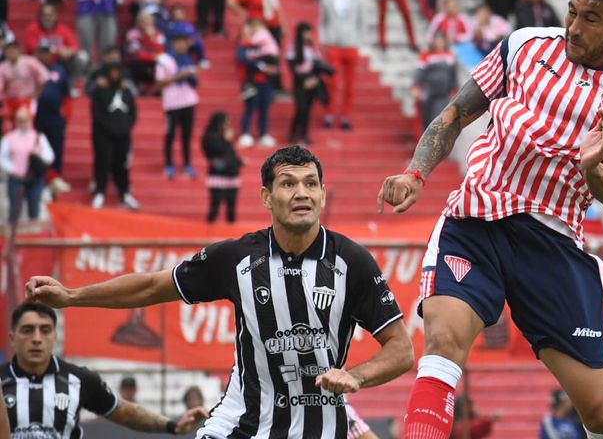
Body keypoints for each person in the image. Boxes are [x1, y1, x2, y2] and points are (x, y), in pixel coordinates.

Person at [378, 0, 603, 439]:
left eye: (590, 18)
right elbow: (455, 115)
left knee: (600, 412)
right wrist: (415, 174)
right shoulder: (525, 46)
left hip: (551, 243)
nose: (572, 26)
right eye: (572, 11)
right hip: (475, 223)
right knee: (443, 341)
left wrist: (593, 167)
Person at [27, 145, 415, 439]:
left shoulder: (352, 262)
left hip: (321, 428)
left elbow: (402, 349)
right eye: (288, 184)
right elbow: (150, 285)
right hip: (242, 423)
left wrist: (357, 376)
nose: (302, 193)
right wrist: (73, 296)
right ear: (266, 197)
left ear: (323, 195)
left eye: (310, 184)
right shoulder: (236, 258)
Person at [1, 302, 207, 436]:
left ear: (54, 336)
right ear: (12, 338)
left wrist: (171, 425)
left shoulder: (77, 379)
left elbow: (125, 412)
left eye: (45, 330)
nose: (37, 338)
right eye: (28, 330)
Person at [90, 60, 139, 210]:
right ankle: (100, 192)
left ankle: (124, 193)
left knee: (122, 164)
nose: (114, 75)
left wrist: (124, 127)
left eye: (116, 72)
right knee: (102, 163)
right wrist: (110, 127)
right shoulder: (99, 90)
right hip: (103, 135)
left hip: (123, 135)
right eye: (111, 71)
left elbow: (133, 113)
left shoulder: (126, 91)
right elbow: (96, 113)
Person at [319, 0, 364, 130]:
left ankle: (346, 114)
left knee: (349, 84)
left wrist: (357, 41)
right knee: (332, 82)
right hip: (334, 44)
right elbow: (322, 21)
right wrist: (324, 40)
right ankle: (329, 113)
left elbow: (361, 21)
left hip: (350, 44)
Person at [0, 106, 54, 224]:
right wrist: (13, 169)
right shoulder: (9, 138)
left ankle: (33, 236)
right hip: (17, 178)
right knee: (14, 208)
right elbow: (2, 158)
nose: (23, 123)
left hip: (34, 178)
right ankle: (12, 236)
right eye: (20, 120)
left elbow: (50, 156)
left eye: (26, 120)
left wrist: (39, 155)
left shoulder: (39, 137)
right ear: (16, 122)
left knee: (34, 206)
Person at [156, 32, 199, 179]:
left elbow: (195, 82)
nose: (182, 45)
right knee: (170, 134)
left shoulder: (188, 59)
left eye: (184, 42)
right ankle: (169, 164)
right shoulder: (164, 60)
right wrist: (178, 76)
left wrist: (190, 76)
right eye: (178, 42)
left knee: (187, 135)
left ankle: (187, 163)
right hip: (172, 103)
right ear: (173, 44)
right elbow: (158, 83)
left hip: (189, 101)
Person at [32, 40, 72, 194]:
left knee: (56, 145)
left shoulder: (59, 69)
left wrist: (66, 115)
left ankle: (55, 177)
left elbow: (66, 94)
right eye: (41, 52)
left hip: (55, 115)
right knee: (36, 147)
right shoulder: (32, 68)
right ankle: (38, 178)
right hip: (36, 115)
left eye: (47, 52)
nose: (44, 55)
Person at [236, 20, 279, 148]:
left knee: (264, 108)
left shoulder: (262, 45)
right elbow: (244, 59)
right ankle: (245, 133)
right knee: (249, 108)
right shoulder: (244, 46)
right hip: (251, 83)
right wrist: (263, 67)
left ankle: (263, 134)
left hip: (266, 82)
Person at [287, 22, 331, 144]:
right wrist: (304, 80)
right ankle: (293, 133)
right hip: (300, 82)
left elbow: (318, 65)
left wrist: (315, 79)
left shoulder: (313, 48)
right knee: (300, 108)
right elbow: (293, 67)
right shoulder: (294, 47)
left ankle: (304, 135)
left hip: (312, 80)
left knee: (308, 110)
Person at [202, 111, 242, 222]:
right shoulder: (210, 137)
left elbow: (231, 154)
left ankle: (233, 236)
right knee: (215, 207)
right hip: (218, 176)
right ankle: (208, 233)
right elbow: (214, 152)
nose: (228, 125)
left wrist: (239, 162)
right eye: (226, 122)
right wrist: (226, 140)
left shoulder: (225, 136)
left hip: (232, 175)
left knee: (231, 209)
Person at [413, 31, 456, 131]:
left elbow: (453, 76)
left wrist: (453, 90)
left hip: (442, 93)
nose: (439, 42)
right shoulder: (426, 55)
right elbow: (419, 72)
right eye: (437, 40)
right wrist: (416, 87)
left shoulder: (450, 56)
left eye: (441, 40)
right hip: (427, 92)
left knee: (438, 118)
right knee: (426, 119)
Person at [0, 40, 50, 121]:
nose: (11, 52)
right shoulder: (3, 67)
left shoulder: (30, 62)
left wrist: (37, 93)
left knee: (24, 120)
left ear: (19, 50)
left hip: (27, 99)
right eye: (9, 50)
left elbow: (44, 76)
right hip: (10, 100)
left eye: (13, 49)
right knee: (9, 126)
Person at [124, 11, 165, 90]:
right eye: (144, 21)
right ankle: (139, 86)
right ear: (139, 22)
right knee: (136, 63)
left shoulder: (159, 34)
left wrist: (152, 38)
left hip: (153, 60)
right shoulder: (132, 33)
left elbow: (161, 52)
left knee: (163, 62)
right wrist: (147, 37)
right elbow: (136, 53)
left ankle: (158, 87)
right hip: (140, 61)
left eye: (149, 21)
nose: (146, 23)